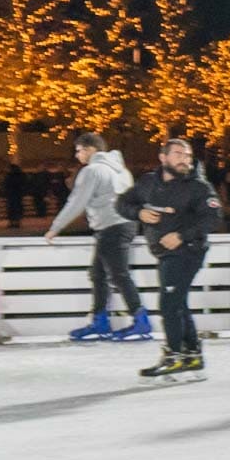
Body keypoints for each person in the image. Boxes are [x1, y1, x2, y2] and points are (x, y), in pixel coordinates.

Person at [116, 139, 222, 384]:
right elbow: (122, 203)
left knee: (169, 304)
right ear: (163, 158)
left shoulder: (198, 187)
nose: (184, 159)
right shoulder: (148, 182)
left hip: (188, 251)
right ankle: (192, 355)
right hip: (163, 253)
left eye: (187, 155)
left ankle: (174, 355)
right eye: (177, 154)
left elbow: (213, 217)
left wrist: (182, 236)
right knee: (178, 303)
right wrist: (138, 213)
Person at [46, 133, 148, 343]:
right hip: (125, 224)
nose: (77, 155)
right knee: (99, 275)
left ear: (91, 149)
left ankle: (140, 322)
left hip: (111, 226)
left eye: (79, 150)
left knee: (119, 274)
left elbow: (77, 201)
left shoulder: (92, 171)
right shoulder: (121, 170)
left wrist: (56, 227)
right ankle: (100, 322)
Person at [3, 163, 25, 229]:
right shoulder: (21, 176)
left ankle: (13, 222)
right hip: (17, 195)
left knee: (12, 209)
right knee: (16, 208)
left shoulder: (9, 176)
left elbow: (6, 185)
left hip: (12, 195)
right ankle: (16, 222)